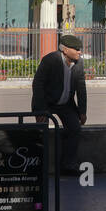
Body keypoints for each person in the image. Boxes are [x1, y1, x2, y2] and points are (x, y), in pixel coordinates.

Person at [31, 34, 86, 176]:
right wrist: (41, 111)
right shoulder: (50, 60)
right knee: (41, 133)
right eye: (76, 49)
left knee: (74, 128)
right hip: (46, 103)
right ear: (65, 50)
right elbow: (38, 85)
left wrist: (82, 111)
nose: (80, 52)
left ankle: (69, 165)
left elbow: (81, 87)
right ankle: (38, 167)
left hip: (66, 104)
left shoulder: (79, 63)